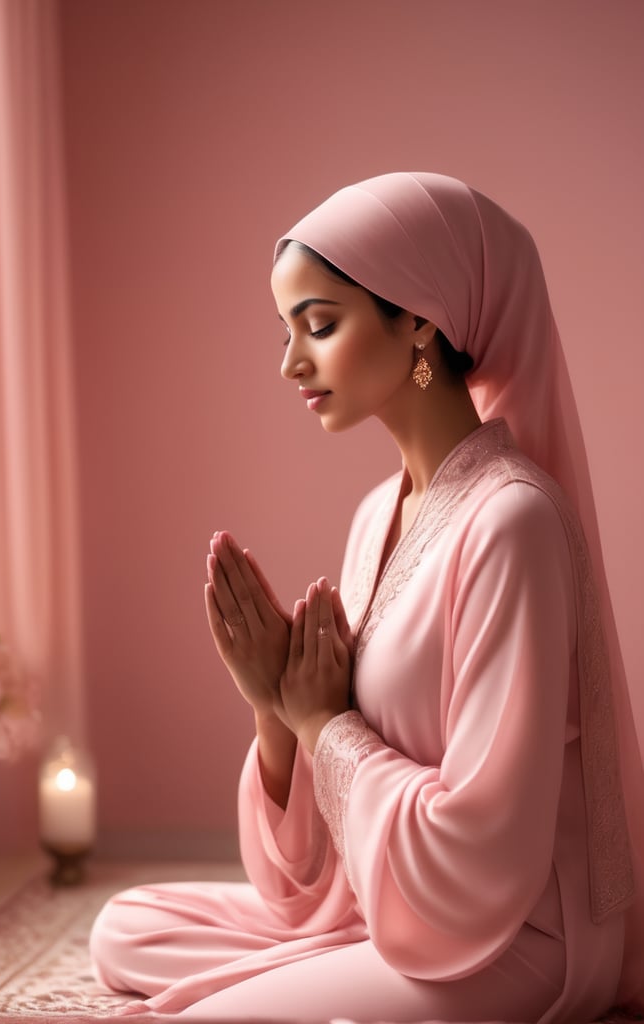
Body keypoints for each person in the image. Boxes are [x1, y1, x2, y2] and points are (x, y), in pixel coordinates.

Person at [90, 172, 644, 1022]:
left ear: (417, 315)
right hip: (389, 904)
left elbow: (483, 853)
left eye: (318, 325)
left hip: (508, 935)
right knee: (125, 927)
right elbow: (309, 872)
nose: (290, 362)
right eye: (285, 331)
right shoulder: (374, 516)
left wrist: (321, 724)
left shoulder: (512, 521)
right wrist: (275, 709)